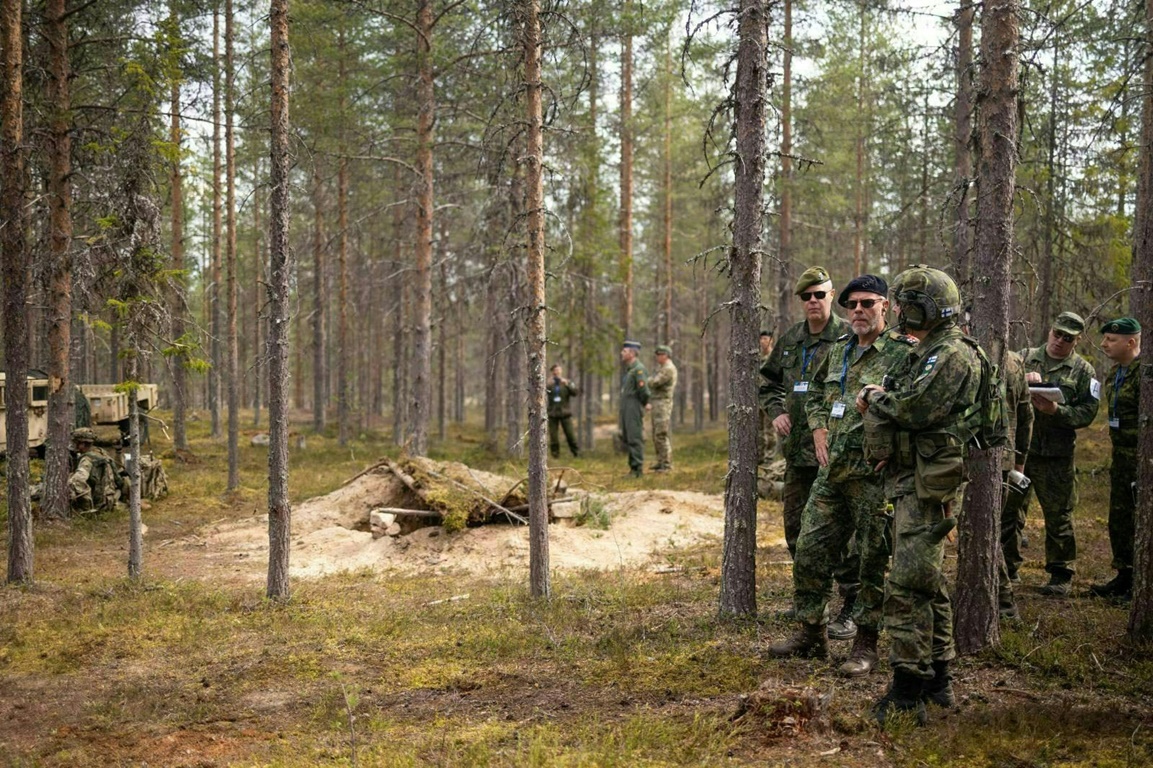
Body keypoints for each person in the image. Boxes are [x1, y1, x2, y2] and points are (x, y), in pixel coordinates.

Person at [770, 275, 913, 678]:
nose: (859, 311)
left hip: (874, 478)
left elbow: (916, 406)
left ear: (886, 306)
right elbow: (815, 394)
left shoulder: (904, 354)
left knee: (871, 561)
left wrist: (894, 446)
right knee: (810, 551)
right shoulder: (838, 351)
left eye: (868, 303)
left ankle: (866, 644)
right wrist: (817, 427)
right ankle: (811, 633)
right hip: (832, 474)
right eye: (852, 305)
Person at [857, 266, 981, 725]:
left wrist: (875, 398)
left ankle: (909, 687)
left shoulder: (950, 353)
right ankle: (937, 681)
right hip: (914, 476)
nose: (901, 312)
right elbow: (901, 392)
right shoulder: (927, 349)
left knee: (908, 584)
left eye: (907, 303)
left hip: (931, 483)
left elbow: (915, 407)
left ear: (925, 306)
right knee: (927, 582)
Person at [759, 266, 858, 637]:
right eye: (807, 297)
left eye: (820, 294)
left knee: (842, 534)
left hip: (836, 455)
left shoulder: (848, 337)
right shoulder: (790, 340)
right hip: (798, 454)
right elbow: (767, 382)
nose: (813, 301)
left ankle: (850, 604)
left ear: (832, 296)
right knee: (796, 529)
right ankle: (811, 601)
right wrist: (777, 411)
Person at [1001, 312, 1100, 596]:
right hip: (1022, 450)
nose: (1059, 341)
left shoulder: (1084, 371)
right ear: (1050, 331)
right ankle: (1007, 567)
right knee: (1010, 511)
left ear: (1077, 341)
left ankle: (1061, 573)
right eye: (1057, 334)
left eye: (1067, 338)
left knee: (1058, 514)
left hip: (1055, 454)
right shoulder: (1024, 357)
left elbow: (1088, 412)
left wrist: (1057, 411)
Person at [1089, 317, 1141, 599]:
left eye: (1111, 339)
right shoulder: (1115, 374)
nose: (1104, 344)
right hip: (1120, 459)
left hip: (1141, 460)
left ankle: (1139, 582)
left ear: (1130, 342)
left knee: (1138, 519)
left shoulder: (1144, 374)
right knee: (1119, 518)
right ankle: (1124, 575)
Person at [996, 346, 1034, 620]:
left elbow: (1025, 413)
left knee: (987, 532)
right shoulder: (1013, 360)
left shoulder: (1011, 361)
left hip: (991, 458)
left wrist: (1019, 460)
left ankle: (1004, 603)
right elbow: (1026, 415)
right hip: (1001, 457)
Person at [68, 427, 122, 514]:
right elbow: (118, 480)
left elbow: (78, 482)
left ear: (82, 444)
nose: (74, 445)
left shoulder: (87, 460)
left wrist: (85, 507)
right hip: (109, 500)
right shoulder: (101, 452)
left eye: (76, 442)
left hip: (98, 506)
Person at [619, 340, 650, 477]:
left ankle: (637, 470)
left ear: (632, 353)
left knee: (634, 437)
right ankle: (633, 468)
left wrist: (645, 403)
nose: (622, 353)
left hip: (634, 405)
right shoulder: (630, 369)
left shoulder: (638, 369)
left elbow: (643, 390)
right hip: (627, 406)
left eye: (624, 351)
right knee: (628, 436)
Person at [648, 345, 678, 472]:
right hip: (658, 403)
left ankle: (666, 464)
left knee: (661, 433)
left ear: (665, 355)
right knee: (656, 433)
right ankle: (660, 461)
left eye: (659, 355)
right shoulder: (663, 368)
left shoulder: (668, 369)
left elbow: (655, 382)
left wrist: (648, 380)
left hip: (662, 404)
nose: (657, 357)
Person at [546, 364, 580, 459]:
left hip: (565, 413)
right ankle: (555, 456)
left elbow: (575, 392)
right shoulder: (549, 383)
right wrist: (548, 384)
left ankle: (576, 454)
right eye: (554, 370)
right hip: (553, 413)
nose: (556, 372)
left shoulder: (566, 382)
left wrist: (567, 384)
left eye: (558, 370)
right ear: (552, 372)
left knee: (570, 435)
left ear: (561, 371)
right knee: (554, 437)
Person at [758, 331, 778, 467]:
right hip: (757, 399)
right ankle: (759, 458)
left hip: (770, 399)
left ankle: (769, 459)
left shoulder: (775, 357)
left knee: (770, 431)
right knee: (758, 431)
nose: (763, 341)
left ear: (771, 340)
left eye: (765, 338)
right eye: (761, 339)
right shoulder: (757, 358)